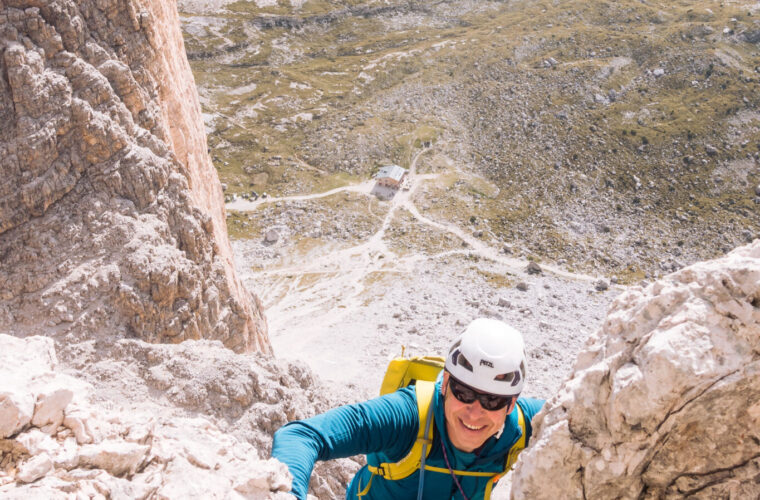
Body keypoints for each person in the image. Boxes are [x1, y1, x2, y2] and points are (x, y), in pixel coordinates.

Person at [271, 318, 545, 499]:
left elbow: (579, 411)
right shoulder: (407, 417)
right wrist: (288, 494)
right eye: (464, 393)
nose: (474, 412)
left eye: (492, 401)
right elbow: (301, 436)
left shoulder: (523, 426)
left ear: (511, 404)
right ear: (445, 384)